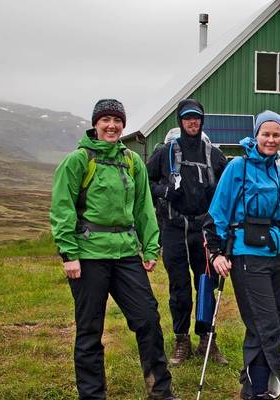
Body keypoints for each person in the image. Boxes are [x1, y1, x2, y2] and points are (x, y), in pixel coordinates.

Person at [50, 99, 178, 399]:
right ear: (96, 123)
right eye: (105, 119)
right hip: (88, 256)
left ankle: (160, 390)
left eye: (117, 120)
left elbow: (144, 207)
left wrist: (150, 248)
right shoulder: (78, 160)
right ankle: (92, 394)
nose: (112, 125)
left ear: (123, 124)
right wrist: (69, 253)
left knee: (148, 319)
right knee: (89, 329)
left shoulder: (132, 162)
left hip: (125, 254)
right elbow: (62, 208)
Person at [204, 110, 280, 400]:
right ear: (256, 136)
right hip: (245, 255)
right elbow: (216, 213)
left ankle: (251, 385)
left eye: (276, 134)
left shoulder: (279, 171)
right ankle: (260, 390)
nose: (271, 139)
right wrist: (216, 252)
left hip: (274, 253)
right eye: (266, 133)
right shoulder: (237, 167)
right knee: (264, 324)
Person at [146, 99, 229, 366]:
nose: (192, 122)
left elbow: (228, 190)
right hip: (174, 230)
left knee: (206, 286)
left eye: (196, 118)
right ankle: (181, 341)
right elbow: (144, 182)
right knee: (179, 288)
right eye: (187, 118)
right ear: (180, 121)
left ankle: (207, 340)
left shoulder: (215, 155)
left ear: (202, 121)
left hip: (205, 230)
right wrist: (164, 191)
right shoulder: (166, 153)